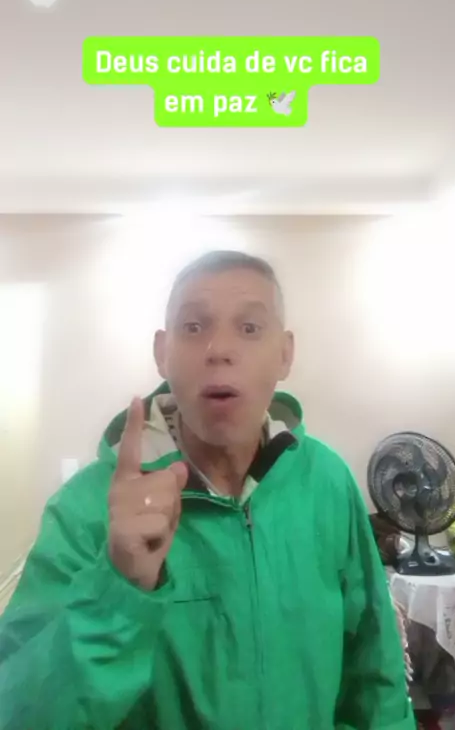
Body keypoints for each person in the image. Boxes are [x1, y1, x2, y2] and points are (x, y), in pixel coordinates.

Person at [0, 250, 415, 730]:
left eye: (250, 328)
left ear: (285, 354)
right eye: (194, 327)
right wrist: (119, 587)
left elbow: (376, 677)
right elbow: (18, 713)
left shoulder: (326, 481)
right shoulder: (87, 509)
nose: (219, 349)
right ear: (162, 352)